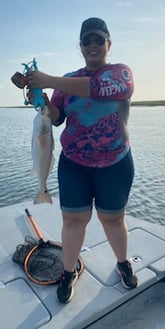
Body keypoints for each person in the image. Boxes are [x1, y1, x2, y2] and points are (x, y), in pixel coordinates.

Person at [26, 17, 138, 303]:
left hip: (115, 163)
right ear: (80, 46)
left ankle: (123, 262)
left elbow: (97, 88)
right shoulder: (66, 82)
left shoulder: (121, 74)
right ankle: (67, 271)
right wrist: (43, 100)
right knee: (73, 220)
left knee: (112, 219)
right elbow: (58, 118)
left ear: (108, 44)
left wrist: (48, 80)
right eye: (86, 40)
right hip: (74, 164)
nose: (92, 45)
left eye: (98, 39)